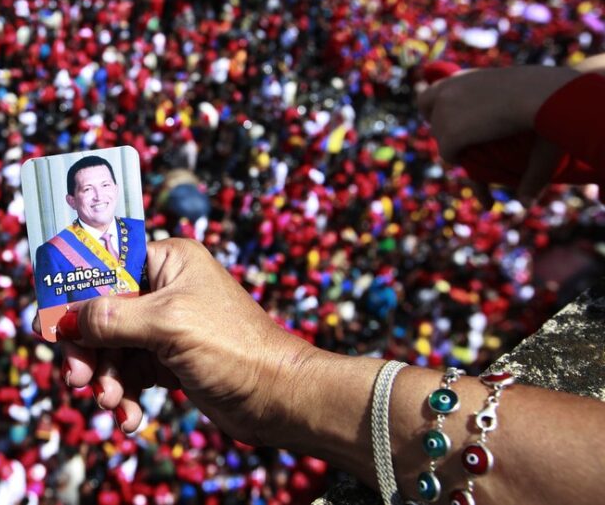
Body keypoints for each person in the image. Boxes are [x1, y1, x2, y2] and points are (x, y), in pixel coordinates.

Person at [40, 61, 605, 505]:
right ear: (70, 200)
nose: (97, 198)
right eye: (85, 192)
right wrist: (565, 100)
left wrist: (278, 384)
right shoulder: (56, 252)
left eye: (104, 188)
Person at [34, 155, 147, 308]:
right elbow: (53, 324)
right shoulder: (52, 253)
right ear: (71, 201)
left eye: (105, 185)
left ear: (116, 189)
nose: (99, 196)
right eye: (87, 189)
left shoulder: (141, 229)